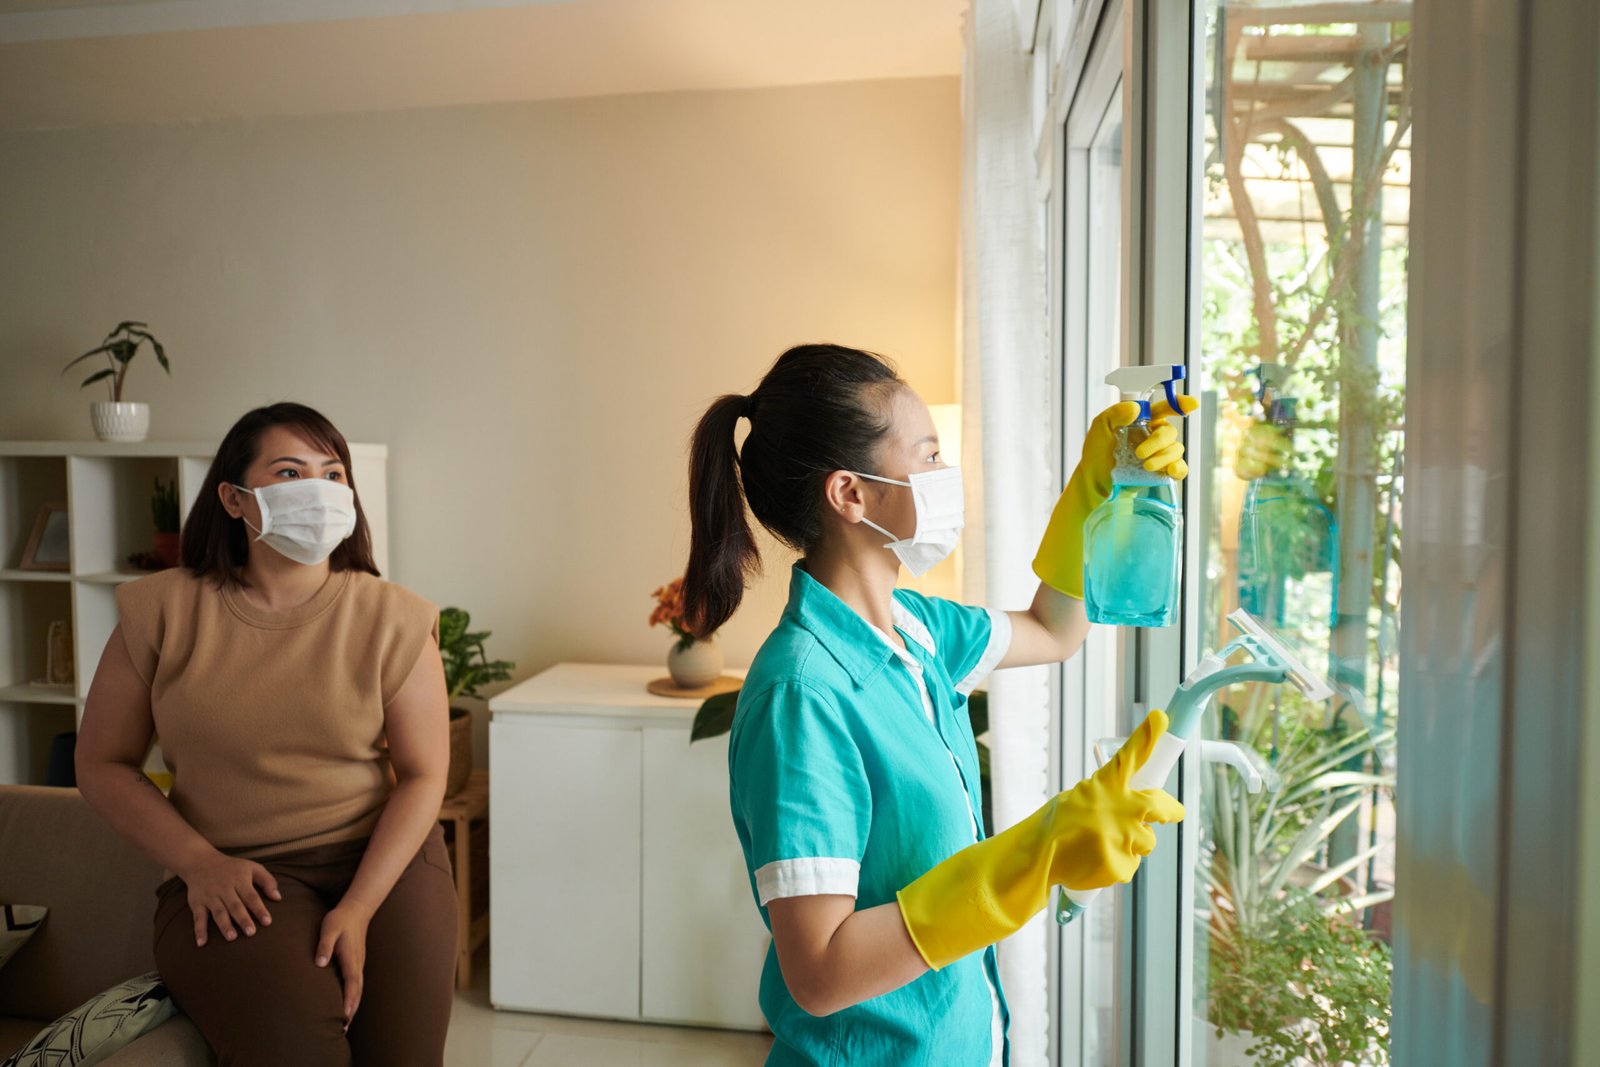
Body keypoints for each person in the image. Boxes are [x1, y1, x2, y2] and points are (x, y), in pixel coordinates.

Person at [681, 344, 1194, 1065]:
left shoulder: (918, 630)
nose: (945, 477)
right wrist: (1036, 853)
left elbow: (1055, 630)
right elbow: (820, 973)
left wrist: (1100, 485)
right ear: (850, 494)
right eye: (927, 456)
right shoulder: (802, 693)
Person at [75, 402, 457, 1067]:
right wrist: (199, 863)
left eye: (334, 473)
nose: (321, 489)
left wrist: (361, 907)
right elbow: (102, 762)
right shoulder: (160, 610)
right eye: (290, 470)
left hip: (384, 861)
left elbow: (425, 774)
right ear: (233, 497)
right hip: (237, 873)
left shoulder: (395, 617)